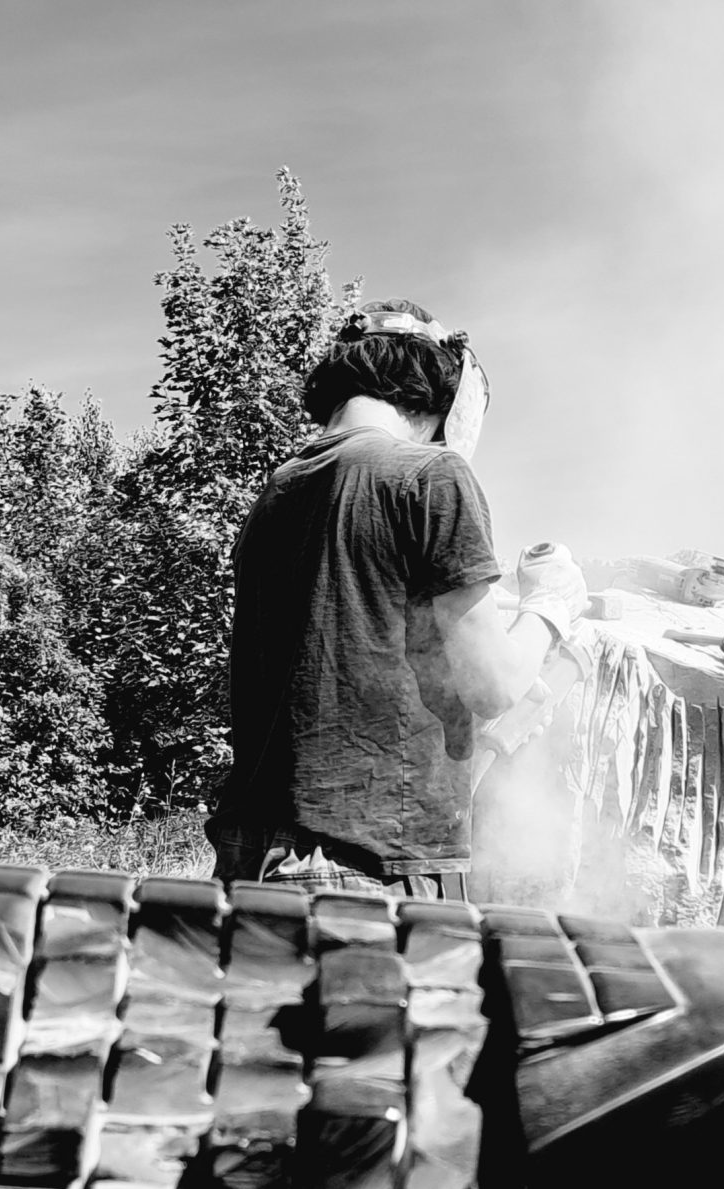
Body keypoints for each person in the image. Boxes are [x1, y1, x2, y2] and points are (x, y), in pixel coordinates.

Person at [206, 301, 582, 898]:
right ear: (445, 401)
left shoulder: (278, 491)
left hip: (248, 859)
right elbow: (493, 686)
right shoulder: (430, 474)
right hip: (358, 869)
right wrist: (549, 605)